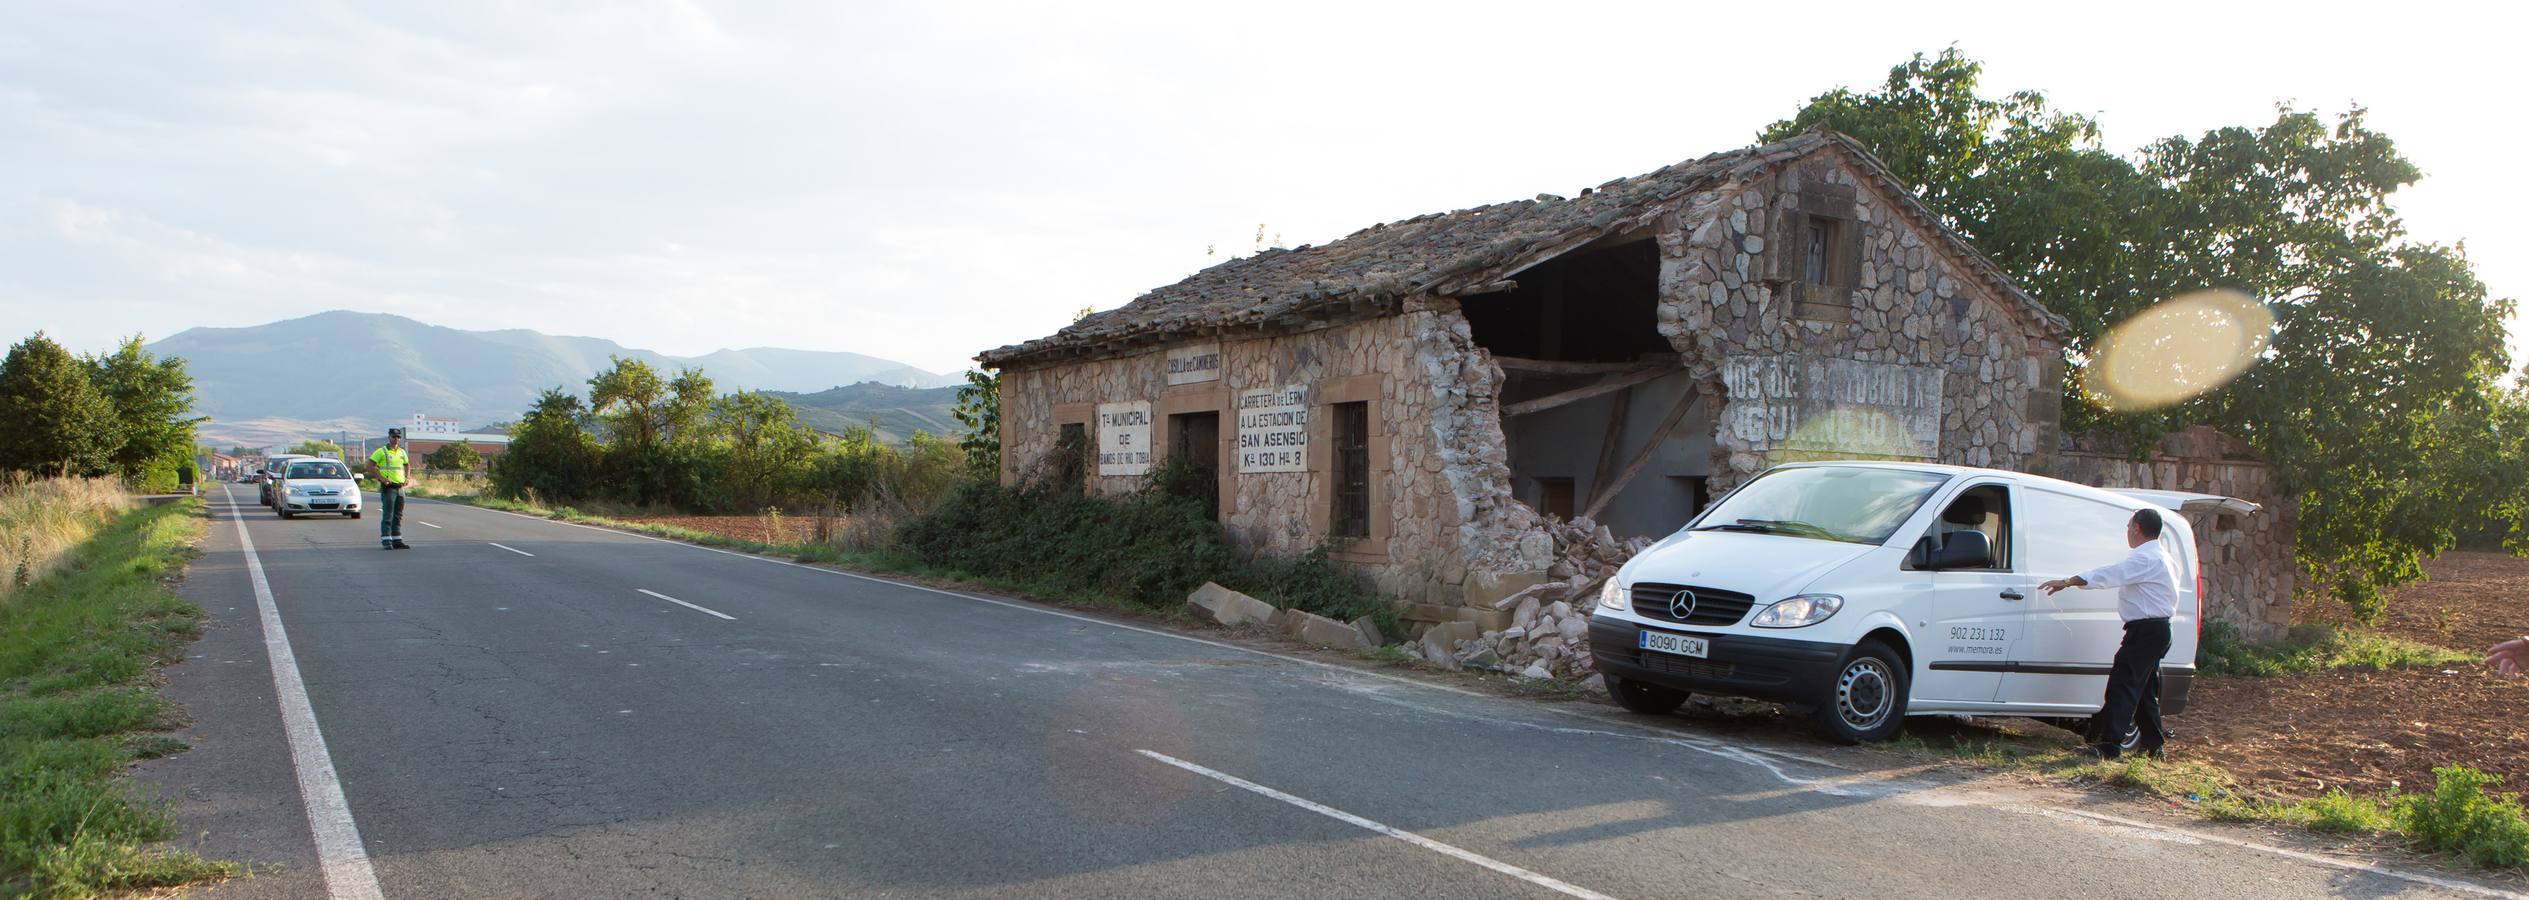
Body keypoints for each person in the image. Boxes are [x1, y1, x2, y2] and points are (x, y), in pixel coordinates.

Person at [2038, 508, 2178, 760]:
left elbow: (2109, 574)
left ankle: (2109, 746)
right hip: (2157, 630)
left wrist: (2069, 581)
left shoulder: (2145, 559)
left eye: (2128, 526)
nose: (2127, 531)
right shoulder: (2165, 558)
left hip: (2145, 631)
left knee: (2122, 685)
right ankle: (2154, 746)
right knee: (2145, 689)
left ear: (2137, 528)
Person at [369, 428, 411, 550]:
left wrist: (407, 477)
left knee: (398, 515)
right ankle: (386, 540)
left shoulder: (402, 452)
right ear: (389, 437)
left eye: (398, 437)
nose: (396, 439)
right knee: (388, 515)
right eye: (393, 437)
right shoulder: (381, 451)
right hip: (389, 487)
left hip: (400, 487)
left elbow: (407, 464)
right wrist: (381, 478)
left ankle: (397, 540)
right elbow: (370, 465)